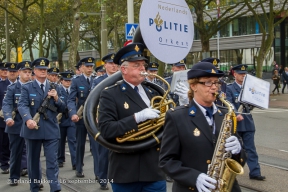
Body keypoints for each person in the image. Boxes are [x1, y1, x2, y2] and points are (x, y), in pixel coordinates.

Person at [159, 61, 246, 192]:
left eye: (216, 82)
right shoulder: (177, 117)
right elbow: (166, 161)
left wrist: (238, 151)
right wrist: (194, 178)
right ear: (193, 85)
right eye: (208, 82)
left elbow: (241, 160)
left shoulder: (226, 115)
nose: (214, 87)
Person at [98, 43, 166, 192]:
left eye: (143, 65)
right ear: (124, 69)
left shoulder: (153, 92)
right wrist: (137, 117)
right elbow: (106, 130)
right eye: (137, 65)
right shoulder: (110, 94)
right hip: (126, 171)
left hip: (154, 170)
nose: (143, 69)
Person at [18, 57, 65, 192]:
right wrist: (28, 120)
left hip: (51, 129)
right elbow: (22, 105)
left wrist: (56, 98)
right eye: (40, 69)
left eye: (45, 69)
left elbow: (63, 108)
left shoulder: (55, 87)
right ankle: (34, 186)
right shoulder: (27, 87)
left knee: (52, 161)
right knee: (32, 161)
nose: (43, 71)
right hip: (33, 129)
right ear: (34, 71)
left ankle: (55, 187)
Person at [226, 64, 266, 181]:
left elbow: (254, 102)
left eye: (245, 74)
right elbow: (228, 103)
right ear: (235, 74)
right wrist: (235, 114)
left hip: (247, 123)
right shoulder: (229, 88)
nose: (243, 76)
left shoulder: (250, 88)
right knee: (233, 150)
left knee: (251, 149)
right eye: (241, 74)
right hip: (236, 124)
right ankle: (231, 173)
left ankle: (255, 172)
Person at [67, 57, 99, 179]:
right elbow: (70, 100)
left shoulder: (96, 80)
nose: (90, 69)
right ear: (82, 67)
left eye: (91, 66)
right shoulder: (76, 81)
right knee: (80, 144)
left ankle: (98, 173)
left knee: (95, 146)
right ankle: (79, 168)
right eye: (87, 66)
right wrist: (73, 113)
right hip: (80, 117)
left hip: (92, 118)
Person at [91, 53, 118, 190]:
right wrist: (97, 115)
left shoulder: (122, 79)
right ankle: (102, 178)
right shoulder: (98, 81)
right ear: (105, 65)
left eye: (115, 63)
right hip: (104, 118)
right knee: (104, 150)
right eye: (110, 63)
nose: (113, 66)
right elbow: (93, 101)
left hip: (120, 118)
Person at [2, 61, 32, 185]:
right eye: (25, 72)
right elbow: (7, 104)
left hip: (30, 123)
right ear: (19, 73)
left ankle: (35, 179)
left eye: (29, 72)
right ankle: (14, 177)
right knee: (15, 152)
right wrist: (8, 117)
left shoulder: (34, 87)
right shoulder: (12, 88)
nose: (28, 75)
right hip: (15, 124)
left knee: (32, 153)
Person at [0, 62, 18, 174]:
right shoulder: (1, 84)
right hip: (2, 118)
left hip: (18, 118)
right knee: (4, 143)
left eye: (13, 71)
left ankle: (19, 165)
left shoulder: (22, 85)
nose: (8, 73)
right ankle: (4, 163)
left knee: (18, 144)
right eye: (6, 71)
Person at [57, 71, 76, 170]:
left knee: (72, 141)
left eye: (70, 81)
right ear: (61, 81)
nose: (68, 82)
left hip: (70, 119)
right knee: (60, 140)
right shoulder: (58, 90)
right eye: (66, 80)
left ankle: (75, 162)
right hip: (61, 119)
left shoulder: (73, 90)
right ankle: (60, 159)